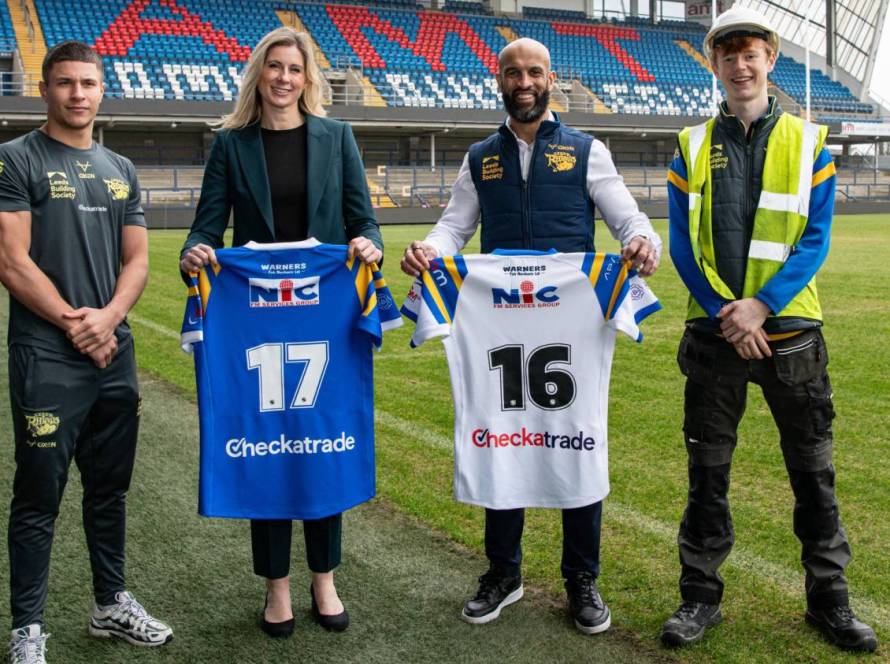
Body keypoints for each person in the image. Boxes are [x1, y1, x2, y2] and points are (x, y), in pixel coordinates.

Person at [400, 37, 661, 635]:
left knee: (576, 435)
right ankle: (503, 572)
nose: (524, 81)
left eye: (534, 72)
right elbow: (454, 226)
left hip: (569, 322)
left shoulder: (586, 150)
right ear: (499, 80)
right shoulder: (479, 156)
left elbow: (628, 217)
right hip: (499, 320)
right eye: (513, 72)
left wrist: (643, 242)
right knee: (501, 436)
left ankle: (581, 578)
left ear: (551, 79)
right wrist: (429, 252)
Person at [661, 7, 877, 652]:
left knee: (814, 474)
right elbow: (681, 245)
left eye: (749, 52)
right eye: (727, 54)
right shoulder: (690, 143)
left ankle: (830, 602)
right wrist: (732, 313)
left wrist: (761, 305)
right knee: (708, 475)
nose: (739, 63)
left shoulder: (810, 142)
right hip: (715, 335)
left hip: (792, 335)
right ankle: (699, 599)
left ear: (770, 58)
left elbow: (814, 240)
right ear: (715, 64)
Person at [178, 26, 382, 639]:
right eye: (274, 67)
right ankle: (276, 587)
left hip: (323, 314)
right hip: (256, 318)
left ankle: (325, 578)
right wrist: (195, 252)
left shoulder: (338, 136)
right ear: (258, 75)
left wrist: (367, 242)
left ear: (308, 78)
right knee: (267, 438)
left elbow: (360, 217)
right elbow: (207, 225)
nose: (284, 78)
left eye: (295, 68)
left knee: (321, 439)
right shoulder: (232, 145)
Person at [0, 41, 173, 664]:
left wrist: (110, 318)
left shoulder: (121, 168)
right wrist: (79, 325)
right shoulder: (13, 159)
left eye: (89, 83)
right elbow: (11, 261)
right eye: (66, 83)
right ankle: (27, 630)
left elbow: (138, 260)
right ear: (44, 89)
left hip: (113, 353)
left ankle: (109, 605)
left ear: (102, 91)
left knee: (109, 490)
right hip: (48, 357)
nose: (78, 94)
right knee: (38, 495)